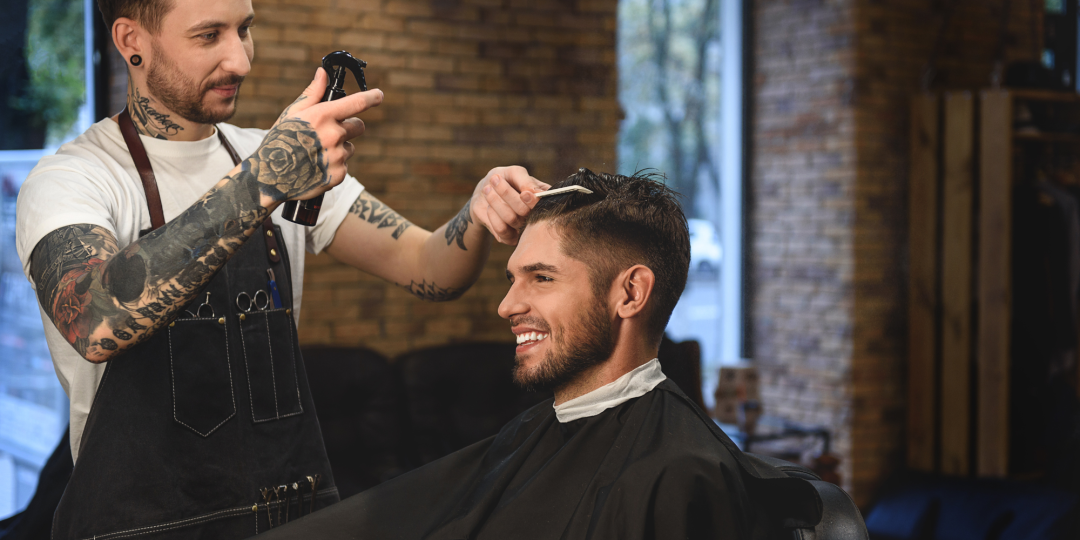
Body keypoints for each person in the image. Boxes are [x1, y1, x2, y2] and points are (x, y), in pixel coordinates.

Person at [13, 0, 547, 537]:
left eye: (244, 30)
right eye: (208, 36)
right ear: (132, 41)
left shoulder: (268, 156)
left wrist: (476, 213)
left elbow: (430, 269)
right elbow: (94, 316)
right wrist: (266, 178)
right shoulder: (73, 180)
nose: (241, 60)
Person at [251, 169, 821, 540]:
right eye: (511, 277)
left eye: (541, 278)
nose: (506, 305)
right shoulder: (531, 436)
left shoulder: (682, 475)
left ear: (630, 293)